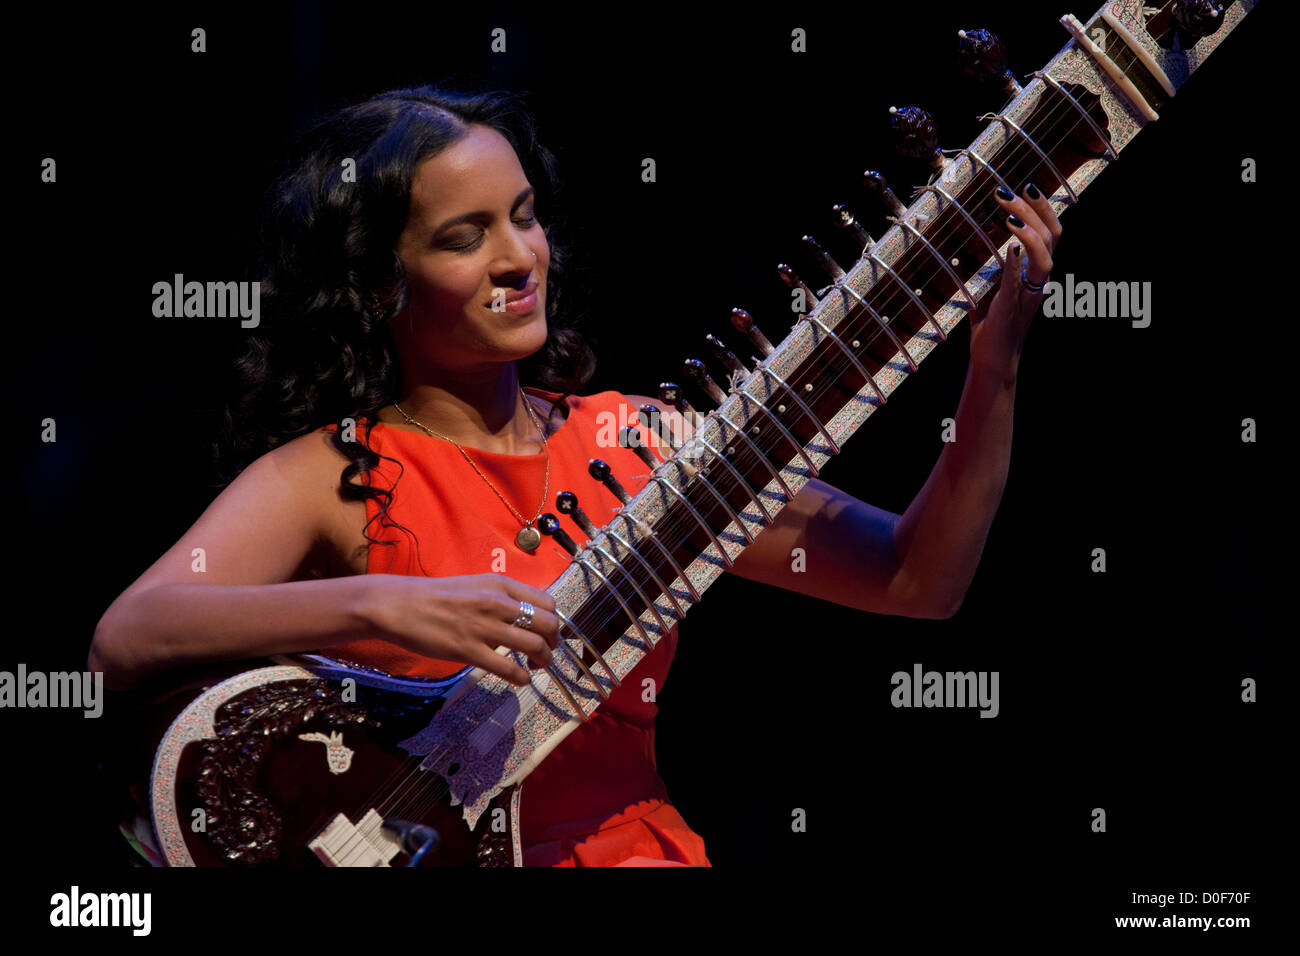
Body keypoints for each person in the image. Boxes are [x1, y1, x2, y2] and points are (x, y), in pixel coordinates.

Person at [90, 85, 1061, 867]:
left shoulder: (637, 442)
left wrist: (994, 373)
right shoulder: (338, 474)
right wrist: (380, 603)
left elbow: (914, 577)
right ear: (379, 283)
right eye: (464, 235)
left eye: (523, 216)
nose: (520, 258)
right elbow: (129, 634)